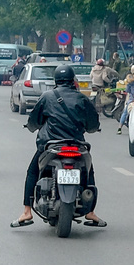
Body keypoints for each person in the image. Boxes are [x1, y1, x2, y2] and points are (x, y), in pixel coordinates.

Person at [11, 65, 105, 229]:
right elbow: (92, 124)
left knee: (32, 171)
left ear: (55, 80)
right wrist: (92, 128)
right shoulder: (82, 99)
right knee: (88, 172)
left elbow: (35, 120)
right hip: (77, 145)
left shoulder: (47, 96)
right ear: (73, 80)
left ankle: (27, 211)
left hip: (51, 144)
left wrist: (32, 127)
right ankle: (90, 212)